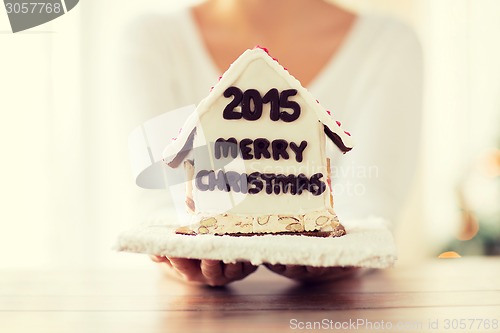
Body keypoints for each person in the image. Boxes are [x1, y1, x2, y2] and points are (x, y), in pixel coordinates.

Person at [122, 0, 422, 286]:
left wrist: (342, 252)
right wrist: (177, 247)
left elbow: (370, 203)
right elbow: (157, 197)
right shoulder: (150, 39)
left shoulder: (390, 44)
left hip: (335, 311)